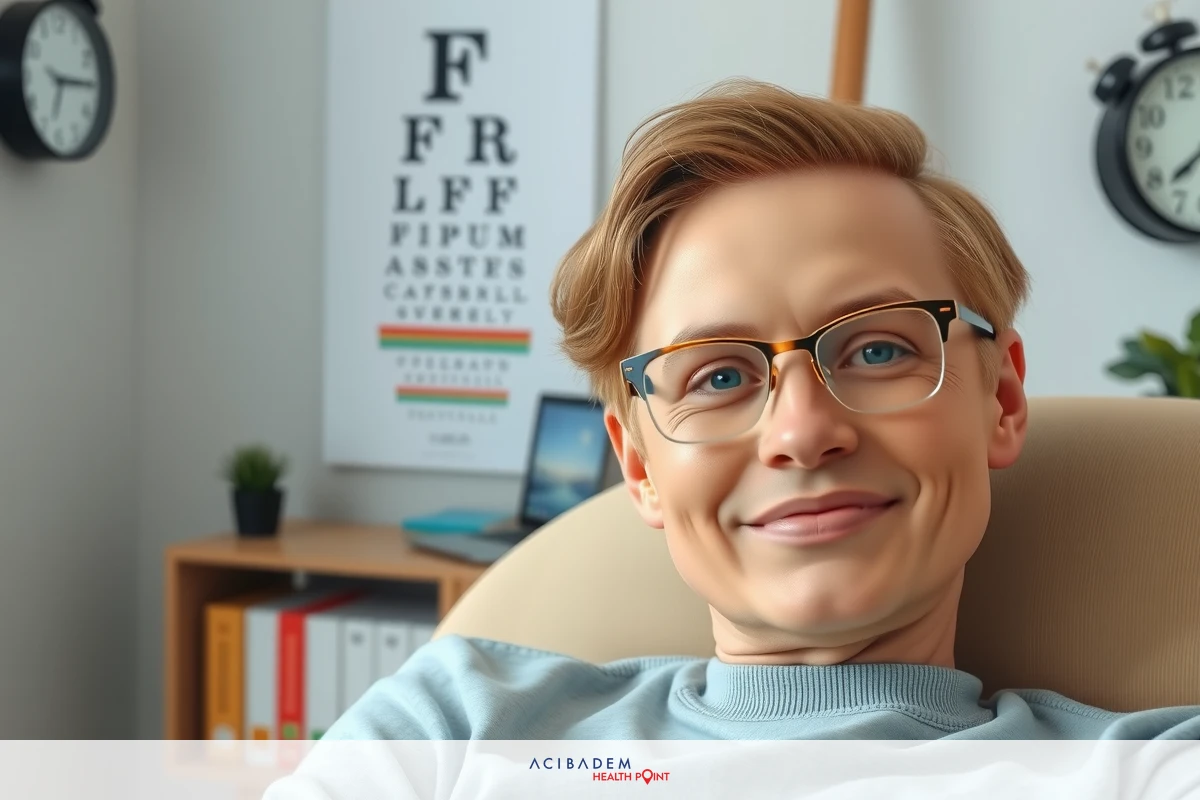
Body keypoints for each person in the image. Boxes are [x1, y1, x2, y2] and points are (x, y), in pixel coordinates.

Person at [284, 81, 1200, 746]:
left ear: (999, 400)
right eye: (717, 378)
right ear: (638, 466)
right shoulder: (454, 725)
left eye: (878, 349)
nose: (803, 433)